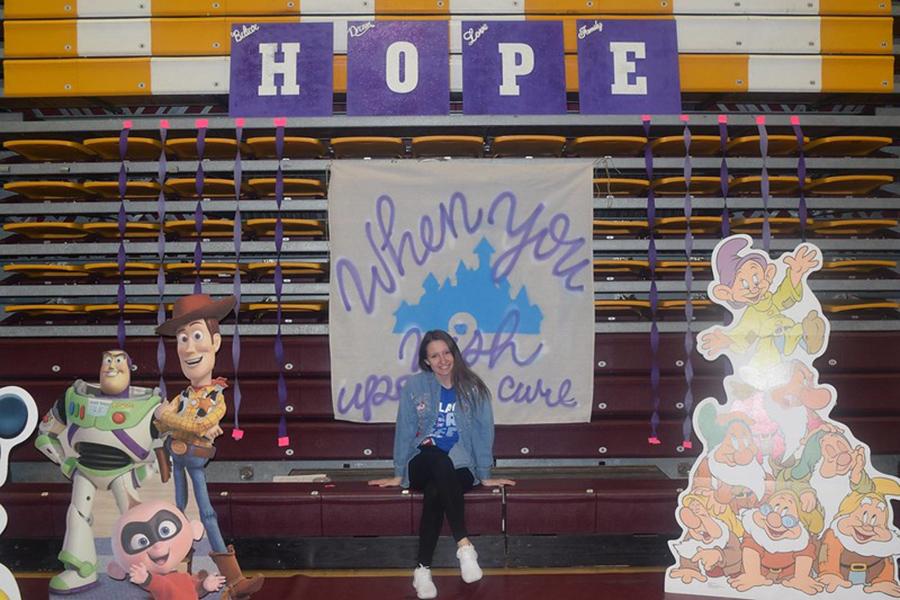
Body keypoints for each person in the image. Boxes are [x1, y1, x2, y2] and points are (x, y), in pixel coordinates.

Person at [369, 329, 515, 600]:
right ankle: (464, 545)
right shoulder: (415, 386)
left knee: (438, 488)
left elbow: (485, 433)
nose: (442, 360)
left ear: (454, 353)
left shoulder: (474, 388)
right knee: (435, 455)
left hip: (460, 465)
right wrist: (399, 473)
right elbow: (405, 429)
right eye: (434, 356)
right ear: (426, 361)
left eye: (446, 352)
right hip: (420, 461)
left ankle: (422, 570)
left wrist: (484, 474)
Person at [155, 294, 263, 599]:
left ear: (215, 342)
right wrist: (170, 420)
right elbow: (161, 425)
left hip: (193, 459)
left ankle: (235, 580)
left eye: (197, 336)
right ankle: (178, 577)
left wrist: (170, 418)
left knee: (208, 514)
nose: (189, 347)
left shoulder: (216, 395)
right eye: (182, 338)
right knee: (175, 514)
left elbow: (198, 425)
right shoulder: (183, 396)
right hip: (176, 461)